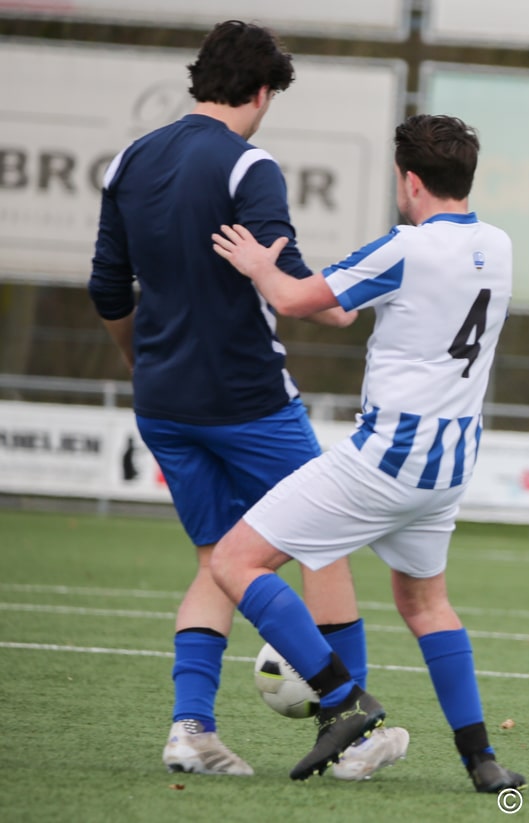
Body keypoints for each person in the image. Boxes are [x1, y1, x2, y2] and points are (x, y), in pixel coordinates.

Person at [87, 19, 404, 781]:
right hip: (247, 399)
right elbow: (287, 278)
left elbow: (107, 287)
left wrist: (139, 360)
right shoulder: (248, 164)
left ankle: (190, 728)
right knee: (323, 542)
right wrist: (342, 306)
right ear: (261, 93)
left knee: (219, 560)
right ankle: (350, 730)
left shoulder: (130, 158)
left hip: (162, 400)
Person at [206, 113, 526, 793]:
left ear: (410, 181)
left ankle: (342, 698)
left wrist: (260, 263)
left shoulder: (405, 247)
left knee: (235, 561)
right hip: (450, 463)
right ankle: (481, 758)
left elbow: (296, 299)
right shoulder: (498, 245)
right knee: (426, 604)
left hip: (389, 455)